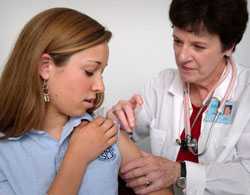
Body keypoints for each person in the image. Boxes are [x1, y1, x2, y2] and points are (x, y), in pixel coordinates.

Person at [0, 7, 172, 195]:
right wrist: (77, 157)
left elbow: (158, 190)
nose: (100, 86)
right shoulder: (5, 150)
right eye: (89, 71)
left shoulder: (105, 132)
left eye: (102, 73)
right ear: (45, 67)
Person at [108, 0, 250, 194]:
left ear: (229, 46)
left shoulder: (246, 93)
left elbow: (246, 177)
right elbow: (121, 134)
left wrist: (180, 171)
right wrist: (117, 119)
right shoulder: (161, 84)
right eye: (177, 41)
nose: (182, 56)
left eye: (198, 46)